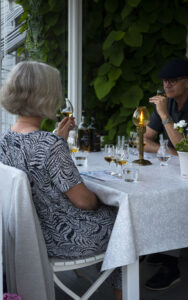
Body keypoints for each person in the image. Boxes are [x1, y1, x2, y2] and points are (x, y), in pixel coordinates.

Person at [0, 61, 122, 300]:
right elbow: (84, 202)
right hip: (59, 238)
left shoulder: (5, 139)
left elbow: (37, 172)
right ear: (46, 96)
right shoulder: (49, 145)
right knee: (124, 223)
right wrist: (102, 199)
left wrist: (59, 140)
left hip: (24, 234)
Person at [143, 57, 188, 291]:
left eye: (173, 80)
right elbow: (143, 140)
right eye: (165, 80)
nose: (167, 85)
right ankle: (158, 247)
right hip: (181, 168)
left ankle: (170, 264)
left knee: (169, 196)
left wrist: (165, 116)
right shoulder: (168, 103)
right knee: (150, 187)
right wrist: (167, 150)